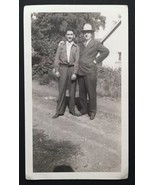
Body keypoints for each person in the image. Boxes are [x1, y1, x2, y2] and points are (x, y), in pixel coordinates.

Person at [78, 23, 110, 120]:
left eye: (88, 32)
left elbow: (106, 51)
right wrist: (62, 43)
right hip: (81, 71)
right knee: (82, 92)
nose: (86, 34)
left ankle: (92, 111)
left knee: (91, 92)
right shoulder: (81, 44)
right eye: (84, 32)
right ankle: (84, 109)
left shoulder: (96, 43)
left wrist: (95, 61)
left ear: (91, 33)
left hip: (90, 71)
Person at [52, 28, 80, 119]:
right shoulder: (61, 45)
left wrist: (75, 73)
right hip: (62, 68)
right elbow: (56, 58)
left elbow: (77, 61)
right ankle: (59, 111)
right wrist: (56, 70)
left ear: (74, 36)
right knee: (62, 90)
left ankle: (72, 110)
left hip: (72, 68)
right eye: (68, 34)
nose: (69, 36)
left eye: (71, 34)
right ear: (65, 36)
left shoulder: (76, 47)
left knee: (72, 91)